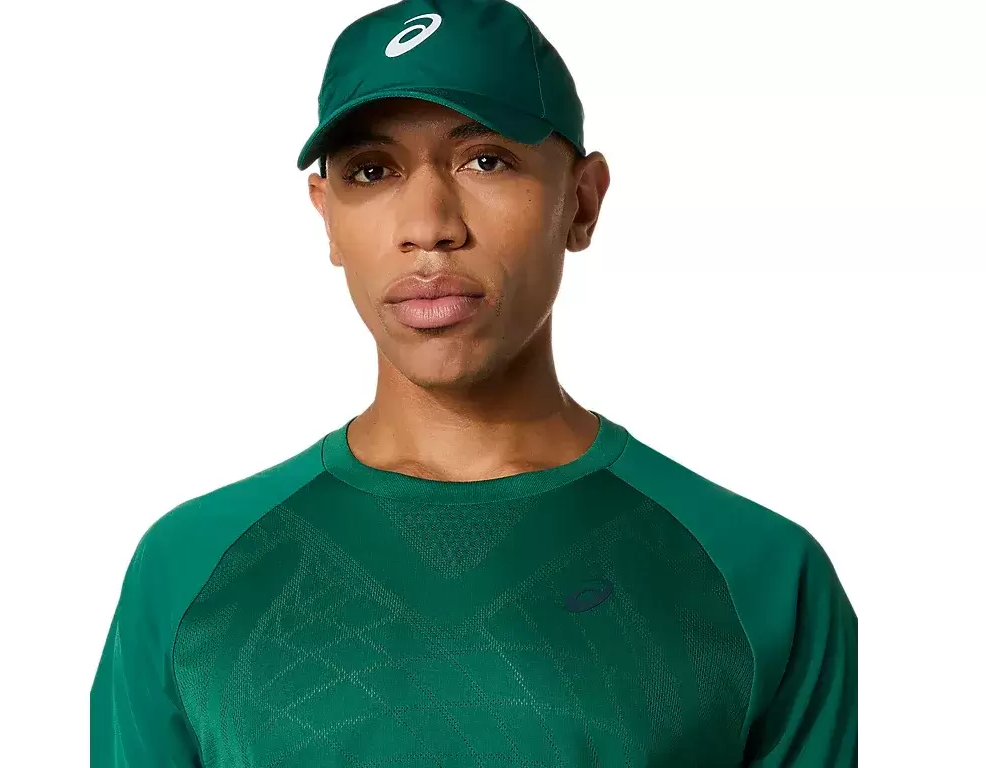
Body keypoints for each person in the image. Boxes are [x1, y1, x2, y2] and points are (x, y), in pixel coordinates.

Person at [90, 1, 858, 765]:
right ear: (327, 217)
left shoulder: (759, 574)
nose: (429, 224)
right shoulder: (188, 570)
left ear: (582, 202)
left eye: (486, 160)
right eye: (372, 170)